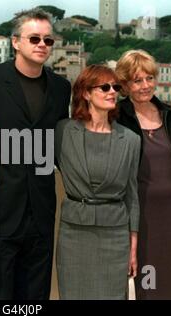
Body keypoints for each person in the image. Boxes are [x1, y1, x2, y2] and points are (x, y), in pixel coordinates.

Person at [0, 8, 71, 300]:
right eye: (34, 38)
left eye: (48, 40)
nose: (42, 45)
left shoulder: (61, 88)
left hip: (42, 209)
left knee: (36, 294)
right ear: (15, 42)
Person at [55, 65, 141, 300]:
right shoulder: (62, 131)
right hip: (74, 234)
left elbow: (132, 196)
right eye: (104, 87)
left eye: (115, 87)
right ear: (85, 93)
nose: (112, 92)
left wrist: (133, 246)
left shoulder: (131, 140)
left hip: (115, 235)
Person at [115, 49, 171, 300]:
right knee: (148, 282)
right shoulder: (116, 116)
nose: (145, 85)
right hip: (140, 214)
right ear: (125, 84)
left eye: (150, 78)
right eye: (137, 80)